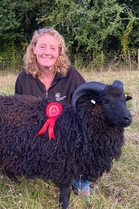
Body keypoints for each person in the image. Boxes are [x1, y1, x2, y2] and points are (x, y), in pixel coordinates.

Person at [14, 27, 90, 197]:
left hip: (66, 138)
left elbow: (87, 105)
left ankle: (79, 177)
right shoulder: (23, 78)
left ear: (59, 52)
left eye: (52, 48)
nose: (47, 52)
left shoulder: (71, 75)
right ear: (33, 49)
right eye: (42, 47)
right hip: (36, 136)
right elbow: (18, 114)